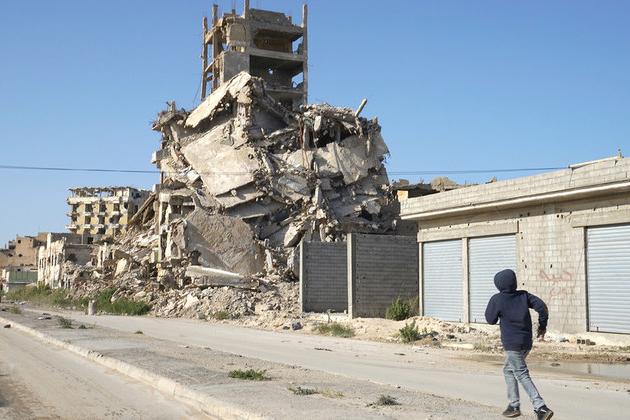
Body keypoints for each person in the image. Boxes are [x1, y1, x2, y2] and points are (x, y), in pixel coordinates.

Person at [485, 269, 554, 420]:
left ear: (498, 284)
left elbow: (490, 319)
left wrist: (497, 308)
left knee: (521, 373)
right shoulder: (524, 296)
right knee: (508, 370)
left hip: (512, 344)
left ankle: (540, 407)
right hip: (526, 342)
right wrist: (542, 326)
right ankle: (513, 405)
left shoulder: (497, 299)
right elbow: (542, 307)